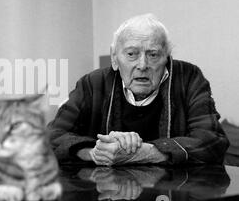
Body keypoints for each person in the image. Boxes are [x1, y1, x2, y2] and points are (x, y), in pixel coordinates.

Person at [48, 14, 229, 166]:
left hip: (172, 197)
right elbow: (51, 137)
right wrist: (94, 153)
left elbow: (212, 141)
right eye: (131, 54)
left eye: (153, 54)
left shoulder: (189, 78)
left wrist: (146, 153)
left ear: (167, 57)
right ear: (114, 58)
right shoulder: (93, 83)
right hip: (109, 197)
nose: (142, 65)